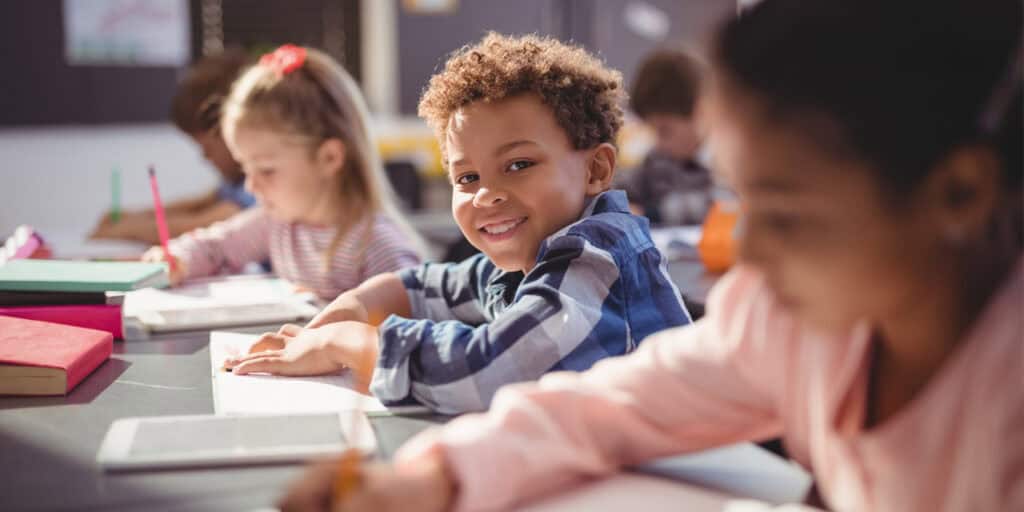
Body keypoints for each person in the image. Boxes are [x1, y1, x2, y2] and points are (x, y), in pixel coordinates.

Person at [277, 1, 1024, 510]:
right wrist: (435, 476)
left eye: (788, 212)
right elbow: (608, 408)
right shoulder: (787, 324)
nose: (749, 250)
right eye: (741, 197)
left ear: (957, 195)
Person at [222, 33, 692, 414]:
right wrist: (352, 307)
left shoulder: (596, 260)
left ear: (595, 170)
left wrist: (349, 342)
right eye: (466, 177)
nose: (485, 194)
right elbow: (428, 286)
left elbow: (489, 373)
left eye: (518, 164)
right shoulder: (526, 255)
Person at [143, 45, 424, 301]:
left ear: (329, 158)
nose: (251, 186)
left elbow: (412, 332)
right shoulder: (278, 223)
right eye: (245, 168)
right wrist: (178, 259)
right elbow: (215, 247)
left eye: (266, 170)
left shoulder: (377, 246)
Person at [91, 49, 256, 244]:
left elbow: (209, 223)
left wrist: (127, 229)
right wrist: (137, 216)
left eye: (207, 148)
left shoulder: (260, 178)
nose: (204, 157)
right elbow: (200, 204)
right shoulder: (235, 181)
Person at [619, 47, 713, 225]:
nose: (659, 143)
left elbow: (716, 207)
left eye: (665, 131)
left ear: (701, 114)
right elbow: (625, 190)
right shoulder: (658, 159)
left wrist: (649, 212)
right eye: (653, 131)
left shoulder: (725, 163)